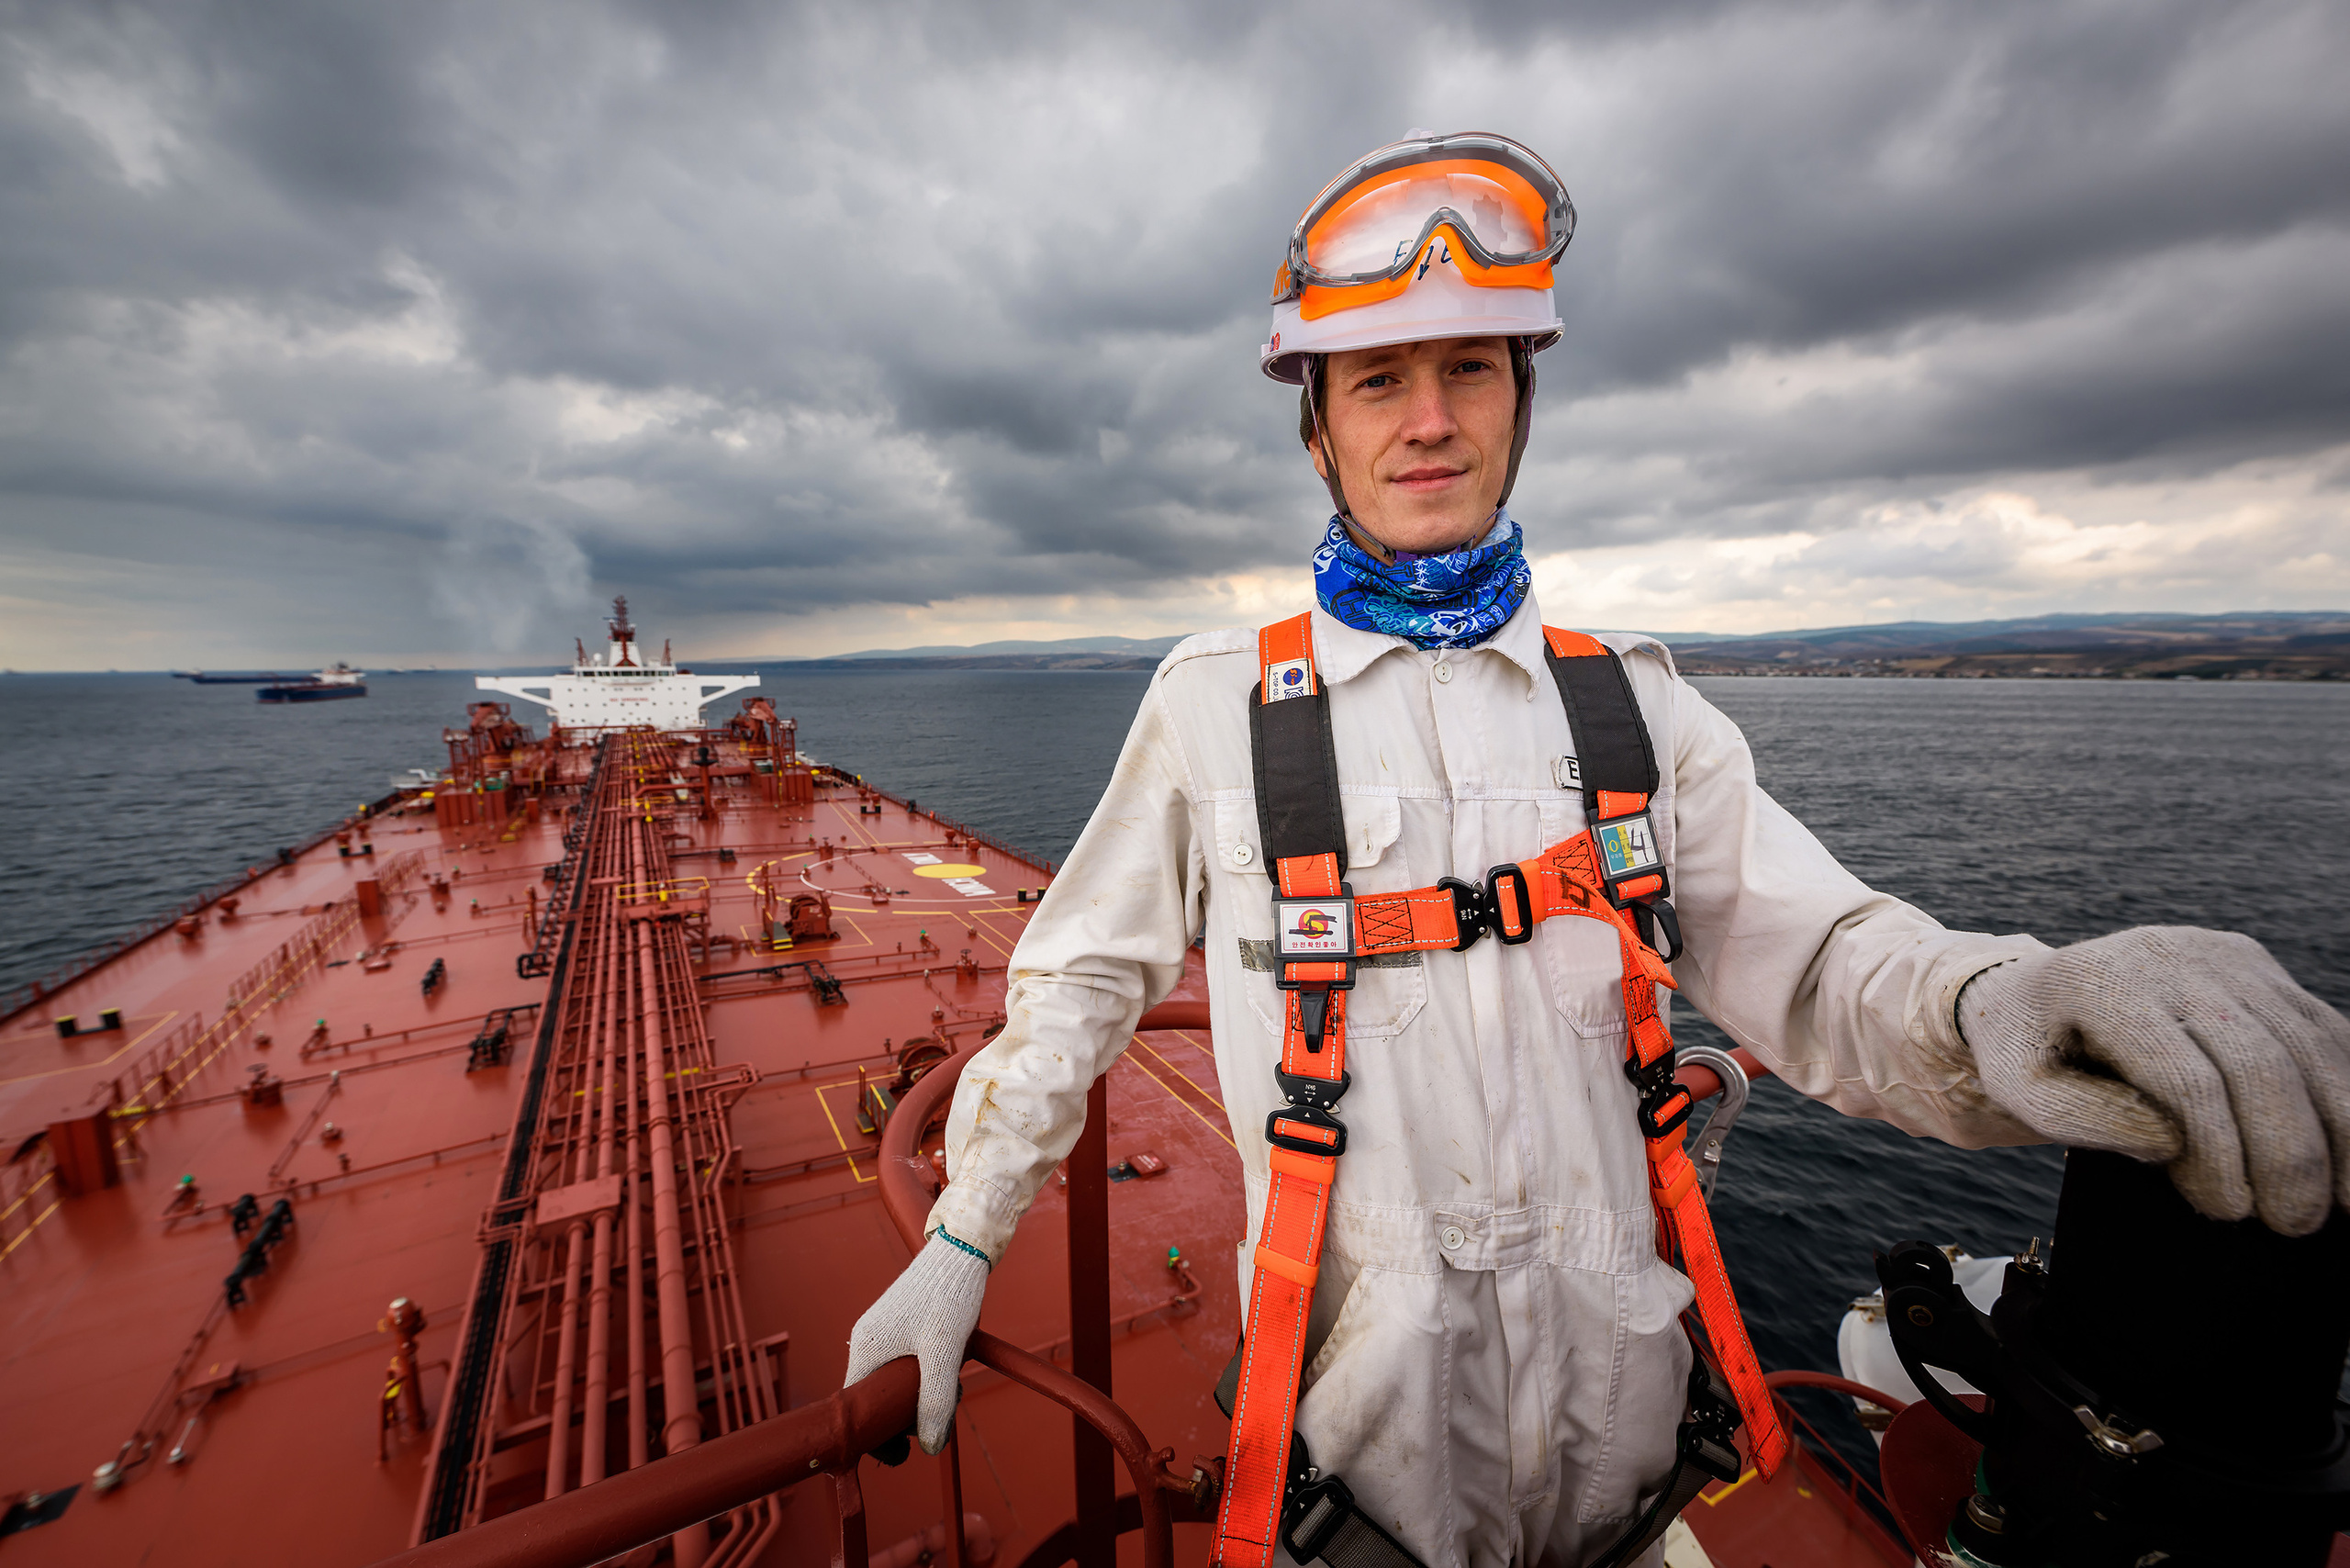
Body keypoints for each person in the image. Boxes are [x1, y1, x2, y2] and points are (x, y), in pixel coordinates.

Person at [846, 131, 2350, 1568]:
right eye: (1377, 380)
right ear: (1319, 424)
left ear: (1519, 398)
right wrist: (965, 1237)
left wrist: (2005, 1001)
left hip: (1632, 1464)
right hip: (1354, 1480)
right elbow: (1076, 988)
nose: (1428, 417)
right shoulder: (1216, 708)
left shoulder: (1629, 706)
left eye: (1468, 370)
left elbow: (1823, 958)